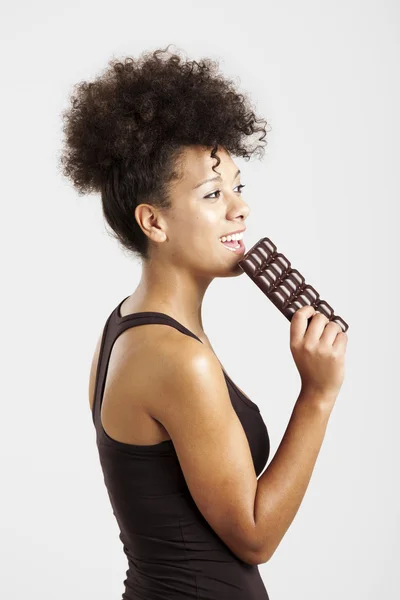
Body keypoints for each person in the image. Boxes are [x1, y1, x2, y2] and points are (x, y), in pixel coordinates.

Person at [59, 45, 348, 600]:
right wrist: (317, 394)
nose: (239, 209)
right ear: (154, 221)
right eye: (213, 194)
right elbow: (255, 537)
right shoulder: (176, 358)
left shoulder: (120, 328)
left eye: (239, 188)